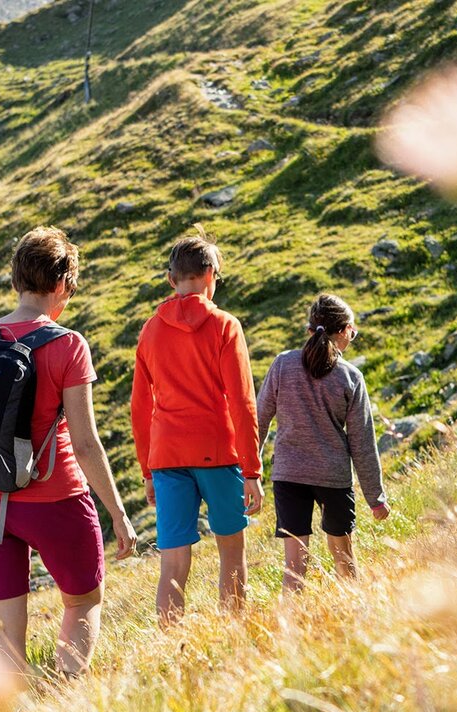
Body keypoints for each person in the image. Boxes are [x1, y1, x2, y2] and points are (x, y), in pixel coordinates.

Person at [0, 226, 139, 676]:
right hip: (54, 500)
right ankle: (68, 695)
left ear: (16, 280)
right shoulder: (68, 345)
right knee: (83, 599)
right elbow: (86, 445)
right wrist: (118, 513)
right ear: (61, 284)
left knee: (3, 632)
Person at [130, 227, 263, 623]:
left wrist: (147, 472)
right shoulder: (225, 325)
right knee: (232, 555)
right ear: (210, 275)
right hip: (218, 453)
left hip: (167, 457)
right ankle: (233, 633)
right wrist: (252, 469)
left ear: (172, 280)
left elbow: (140, 408)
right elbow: (241, 401)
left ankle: (171, 645)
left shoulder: (151, 331)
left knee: (172, 565)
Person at [257, 294, 389, 591]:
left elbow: (259, 420)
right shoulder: (350, 377)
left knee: (294, 567)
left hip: (289, 476)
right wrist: (375, 497)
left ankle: (290, 629)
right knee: (344, 559)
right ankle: (355, 615)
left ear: (310, 329)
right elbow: (362, 442)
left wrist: (251, 471)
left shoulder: (282, 365)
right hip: (333, 477)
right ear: (344, 332)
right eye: (352, 332)